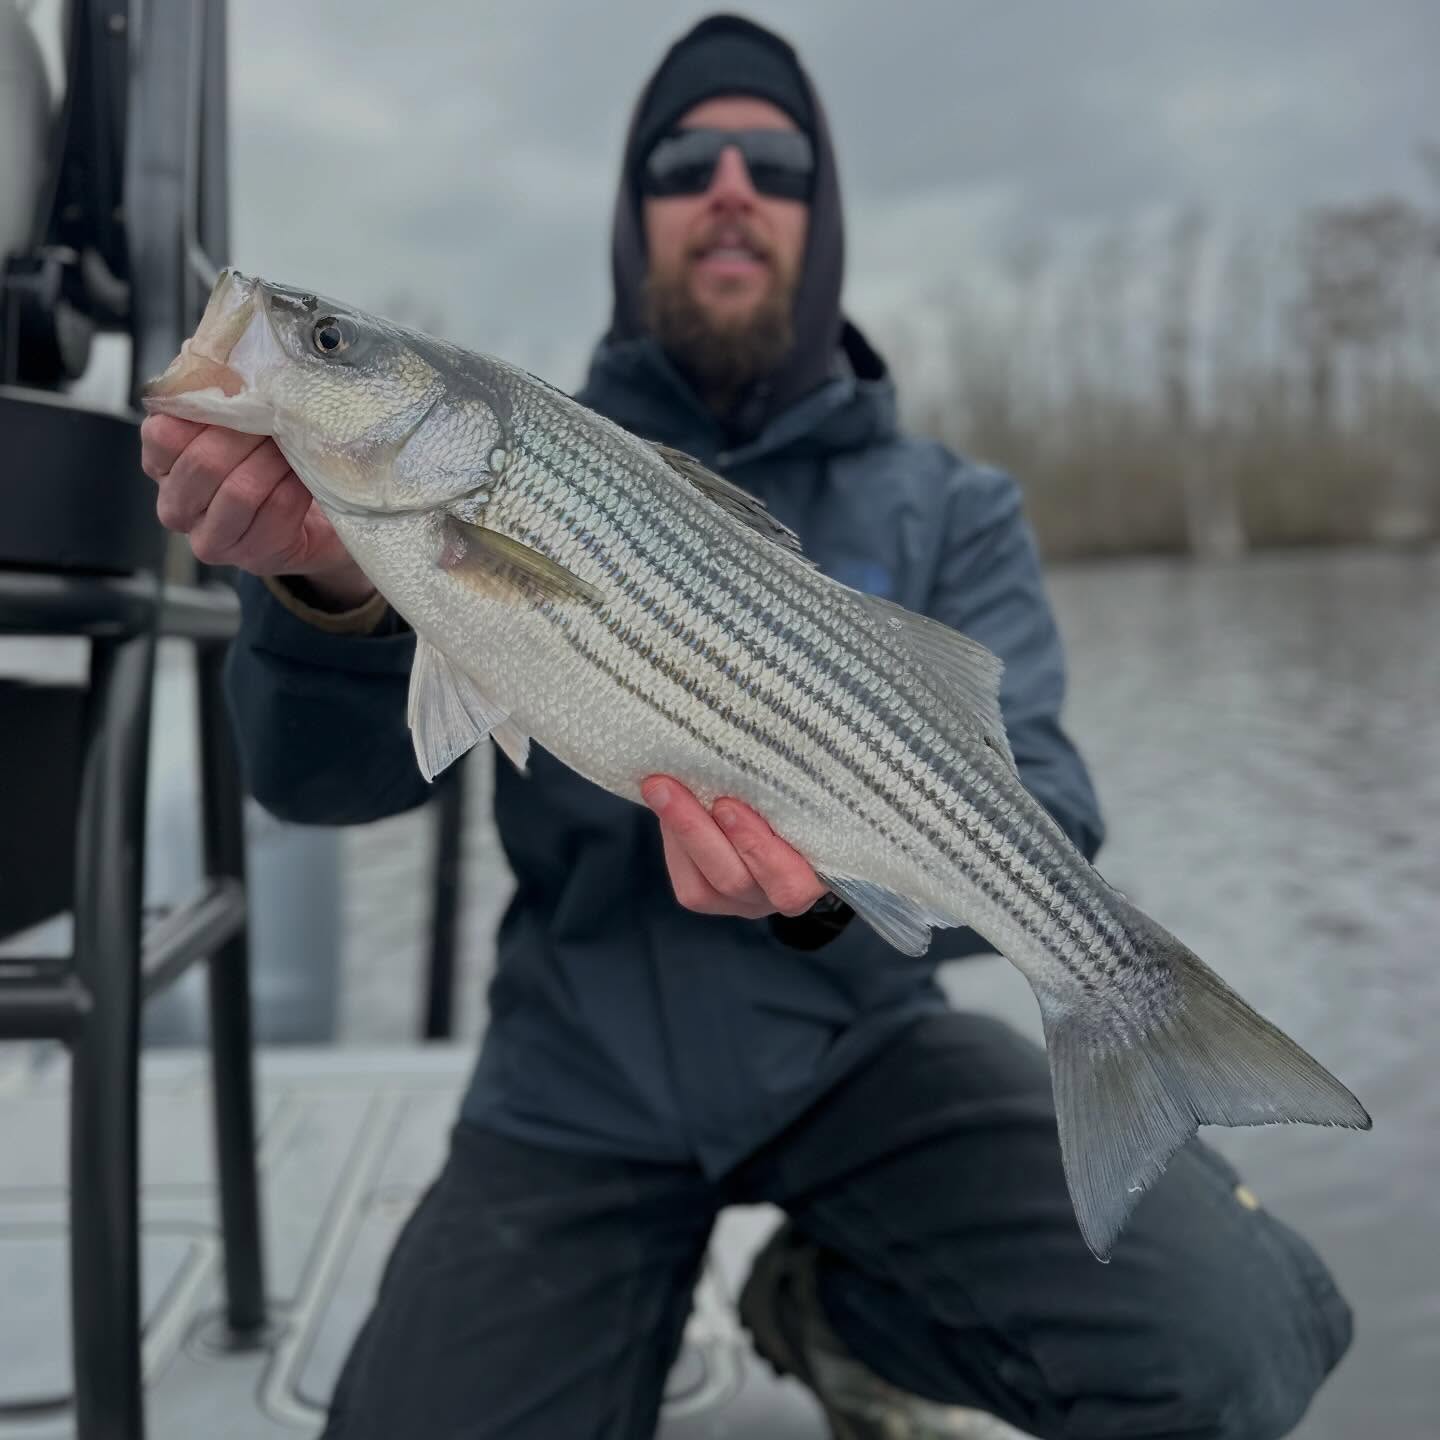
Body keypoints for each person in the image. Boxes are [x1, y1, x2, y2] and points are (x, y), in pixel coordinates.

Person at [139, 14, 1356, 1440]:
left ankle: (827, 1311)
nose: (728, 185)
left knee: (1235, 1345)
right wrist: (326, 586)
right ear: (632, 212)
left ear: (816, 218)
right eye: (683, 158)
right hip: (574, 1066)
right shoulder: (504, 472)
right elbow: (314, 785)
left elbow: (1052, 805)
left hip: (861, 1046)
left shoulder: (951, 505)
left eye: (772, 161)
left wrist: (828, 902)